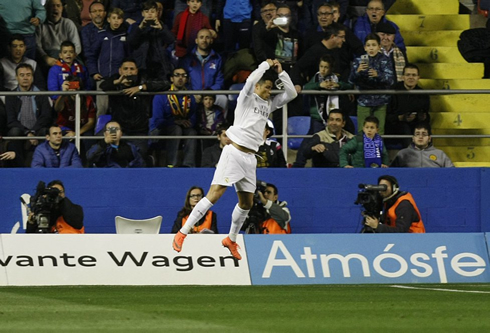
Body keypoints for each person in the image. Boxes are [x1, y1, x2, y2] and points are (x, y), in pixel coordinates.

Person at [172, 58, 297, 260]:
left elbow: (291, 93)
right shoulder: (246, 98)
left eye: (271, 88)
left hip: (250, 158)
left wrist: (281, 73)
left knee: (246, 204)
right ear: (257, 86)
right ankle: (183, 233)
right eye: (266, 87)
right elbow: (249, 82)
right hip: (234, 153)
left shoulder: (268, 105)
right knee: (214, 195)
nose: (269, 91)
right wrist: (265, 65)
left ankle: (231, 239)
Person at [100, 58, 170, 158]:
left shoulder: (143, 78)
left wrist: (140, 88)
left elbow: (165, 84)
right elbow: (103, 86)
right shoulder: (115, 79)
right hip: (120, 129)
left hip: (139, 130)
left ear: (137, 71)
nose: (129, 72)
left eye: (132, 69)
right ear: (120, 71)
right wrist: (117, 82)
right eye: (126, 69)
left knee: (138, 157)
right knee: (114, 155)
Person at [5, 63, 53, 167]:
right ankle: (19, 167)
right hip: (21, 131)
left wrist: (33, 131)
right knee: (14, 131)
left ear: (32, 77)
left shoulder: (42, 94)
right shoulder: (10, 96)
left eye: (28, 75)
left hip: (37, 130)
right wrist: (28, 133)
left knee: (45, 131)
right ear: (17, 77)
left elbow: (46, 116)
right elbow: (11, 121)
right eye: (22, 75)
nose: (25, 78)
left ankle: (43, 167)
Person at [86, 7, 130, 118]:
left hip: (119, 79)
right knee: (102, 109)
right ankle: (99, 133)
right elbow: (92, 55)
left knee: (119, 108)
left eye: (119, 18)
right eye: (113, 18)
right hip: (103, 78)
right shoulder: (101, 35)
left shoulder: (125, 36)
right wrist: (94, 72)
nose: (116, 21)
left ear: (122, 20)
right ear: (108, 19)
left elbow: (129, 57)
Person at [150, 67, 198, 168]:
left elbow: (193, 118)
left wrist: (188, 123)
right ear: (172, 78)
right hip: (159, 130)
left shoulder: (190, 97)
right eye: (177, 75)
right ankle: (171, 164)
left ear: (186, 79)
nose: (180, 78)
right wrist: (175, 122)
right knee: (176, 129)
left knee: (191, 132)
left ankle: (188, 165)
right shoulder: (161, 96)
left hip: (181, 128)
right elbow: (158, 121)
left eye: (183, 76)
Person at [348, 33, 394, 134]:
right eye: (368, 45)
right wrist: (358, 72)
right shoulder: (358, 61)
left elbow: (391, 80)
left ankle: (377, 150)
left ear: (379, 47)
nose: (371, 48)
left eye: (374, 45)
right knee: (362, 131)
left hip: (381, 101)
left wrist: (378, 75)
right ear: (365, 47)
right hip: (363, 101)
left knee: (379, 131)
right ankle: (363, 150)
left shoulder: (385, 60)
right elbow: (350, 81)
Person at [128, 0, 175, 80]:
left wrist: (161, 29)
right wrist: (140, 28)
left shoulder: (162, 26)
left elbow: (171, 40)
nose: (149, 14)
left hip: (160, 66)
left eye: (152, 11)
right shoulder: (136, 26)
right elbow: (131, 43)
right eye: (147, 11)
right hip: (142, 66)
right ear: (142, 13)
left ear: (157, 13)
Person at [385, 64, 430, 146]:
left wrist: (421, 117)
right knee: (404, 127)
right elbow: (385, 115)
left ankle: (427, 156)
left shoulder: (423, 94)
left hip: (415, 124)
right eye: (408, 75)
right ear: (403, 77)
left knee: (425, 129)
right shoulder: (393, 91)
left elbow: (426, 116)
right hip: (395, 126)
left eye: (414, 75)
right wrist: (399, 118)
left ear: (418, 78)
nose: (411, 77)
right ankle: (411, 156)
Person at [36, 0, 82, 70]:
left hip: (68, 54)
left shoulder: (69, 23)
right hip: (48, 56)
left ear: (62, 8)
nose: (55, 8)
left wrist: (68, 57)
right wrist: (46, 58)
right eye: (52, 6)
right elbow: (37, 46)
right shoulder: (40, 25)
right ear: (47, 8)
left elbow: (77, 46)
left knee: (82, 71)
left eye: (58, 6)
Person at [390, 123, 455, 168]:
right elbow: (392, 172)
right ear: (413, 138)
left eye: (424, 134)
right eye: (417, 134)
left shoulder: (440, 154)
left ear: (429, 138)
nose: (420, 137)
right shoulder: (403, 153)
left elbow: (452, 172)